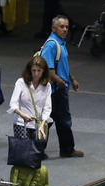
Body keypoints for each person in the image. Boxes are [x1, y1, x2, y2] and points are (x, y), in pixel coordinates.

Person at [41, 15, 83, 158]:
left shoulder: (60, 44)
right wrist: (60, 82)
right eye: (62, 27)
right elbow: (48, 69)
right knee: (59, 119)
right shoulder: (52, 45)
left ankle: (41, 150)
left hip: (60, 87)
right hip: (55, 90)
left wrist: (72, 79)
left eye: (66, 27)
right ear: (54, 28)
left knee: (55, 119)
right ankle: (66, 149)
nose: (65, 29)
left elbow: (62, 65)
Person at [7, 56, 52, 152]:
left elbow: (47, 107)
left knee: (36, 154)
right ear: (29, 70)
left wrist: (42, 124)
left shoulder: (47, 86)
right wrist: (22, 115)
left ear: (44, 71)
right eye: (33, 70)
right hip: (22, 124)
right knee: (23, 153)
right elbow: (13, 104)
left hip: (38, 125)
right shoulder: (21, 82)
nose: (36, 74)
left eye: (39, 71)